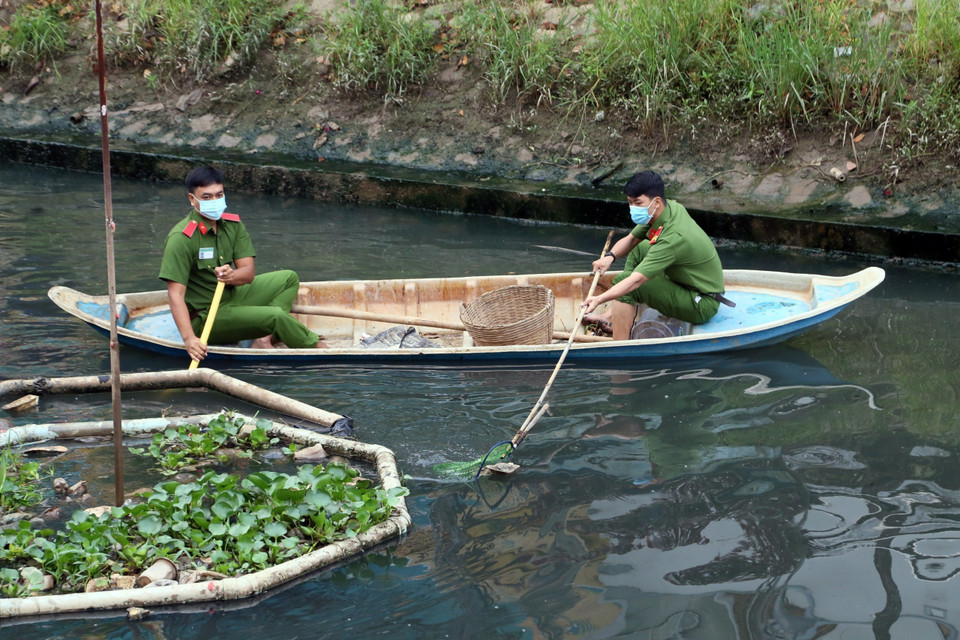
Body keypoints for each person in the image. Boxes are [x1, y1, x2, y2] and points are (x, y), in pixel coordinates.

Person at [159, 165, 325, 362]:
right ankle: (324, 351)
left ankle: (263, 339)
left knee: (288, 278)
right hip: (207, 316)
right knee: (276, 317)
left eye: (219, 195)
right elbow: (175, 294)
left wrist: (231, 276)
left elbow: (247, 274)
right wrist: (189, 339)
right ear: (192, 199)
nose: (214, 201)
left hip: (232, 295)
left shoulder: (233, 225)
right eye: (206, 197)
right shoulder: (181, 238)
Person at [580, 170, 731, 340]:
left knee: (625, 283)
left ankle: (619, 345)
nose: (633, 208)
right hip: (684, 282)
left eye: (638, 202)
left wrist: (598, 299)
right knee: (638, 249)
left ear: (656, 201)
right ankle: (613, 314)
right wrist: (610, 257)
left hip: (701, 302)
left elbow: (636, 280)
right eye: (630, 202)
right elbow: (632, 239)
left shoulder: (673, 238)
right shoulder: (668, 208)